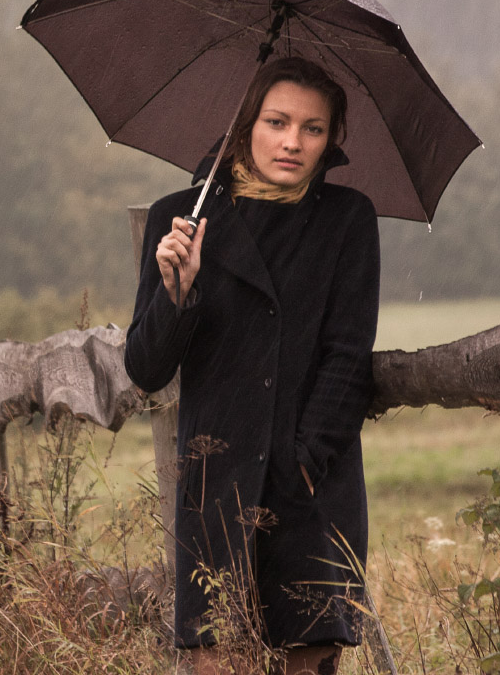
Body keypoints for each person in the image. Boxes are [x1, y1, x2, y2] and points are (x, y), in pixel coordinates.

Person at [124, 56, 380, 675]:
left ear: (331, 139)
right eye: (277, 122)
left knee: (306, 660)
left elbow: (348, 356)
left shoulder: (346, 219)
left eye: (313, 129)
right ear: (246, 125)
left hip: (309, 490)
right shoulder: (180, 219)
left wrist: (305, 464)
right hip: (216, 488)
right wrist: (177, 291)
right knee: (217, 658)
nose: (293, 142)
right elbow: (146, 368)